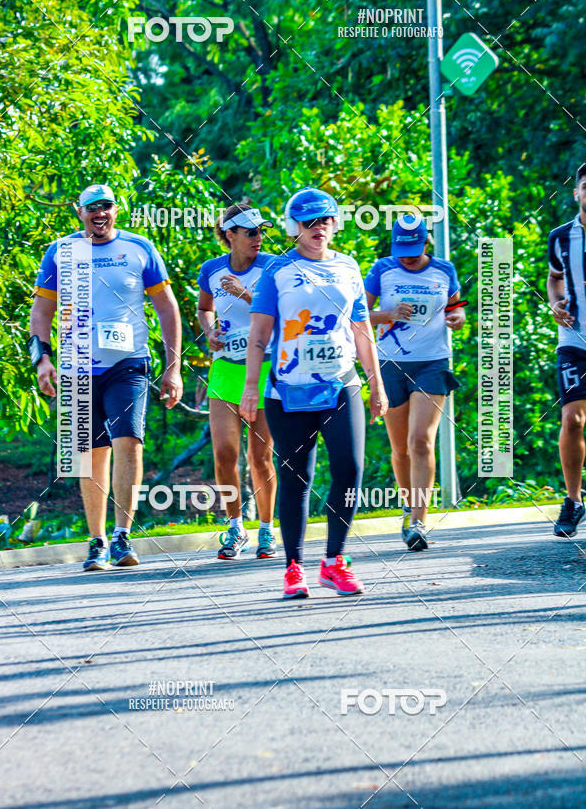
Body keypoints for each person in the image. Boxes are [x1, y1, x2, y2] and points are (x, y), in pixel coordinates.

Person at [240, 187, 388, 599]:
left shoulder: (349, 267)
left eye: (324, 220)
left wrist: (376, 383)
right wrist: (251, 388)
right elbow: (259, 336)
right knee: (296, 476)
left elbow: (362, 330)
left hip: (342, 383)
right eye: (308, 222)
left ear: (335, 223)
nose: (317, 228)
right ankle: (293, 566)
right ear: (294, 228)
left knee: (349, 468)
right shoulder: (277, 271)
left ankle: (335, 561)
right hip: (288, 389)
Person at [29, 184, 183, 571]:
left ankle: (121, 536)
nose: (100, 213)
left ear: (117, 210)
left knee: (128, 440)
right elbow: (41, 310)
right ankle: (96, 540)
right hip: (78, 365)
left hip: (128, 362)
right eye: (91, 208)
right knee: (90, 453)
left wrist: (174, 365)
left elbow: (167, 307)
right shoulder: (60, 252)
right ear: (79, 212)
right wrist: (41, 359)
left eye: (107, 207)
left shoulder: (139, 247)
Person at [365, 214, 466, 552]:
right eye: (400, 249)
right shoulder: (382, 269)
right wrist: (388, 314)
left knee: (421, 440)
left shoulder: (443, 270)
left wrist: (457, 318)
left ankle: (418, 522)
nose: (406, 255)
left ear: (425, 242)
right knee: (401, 448)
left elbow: (457, 308)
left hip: (432, 362)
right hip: (390, 363)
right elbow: (359, 316)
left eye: (413, 248)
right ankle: (409, 506)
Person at [197, 202, 277, 560]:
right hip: (226, 368)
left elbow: (280, 310)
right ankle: (234, 526)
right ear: (230, 235)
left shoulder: (274, 266)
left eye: (261, 231)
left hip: (264, 368)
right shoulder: (211, 270)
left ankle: (266, 529)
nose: (258, 238)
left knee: (260, 456)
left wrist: (245, 293)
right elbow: (204, 308)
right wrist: (210, 329)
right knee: (224, 452)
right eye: (250, 232)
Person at [547, 161, 586, 537]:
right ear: (577, 192)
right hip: (575, 341)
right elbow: (555, 277)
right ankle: (573, 501)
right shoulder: (560, 238)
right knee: (572, 418)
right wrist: (555, 303)